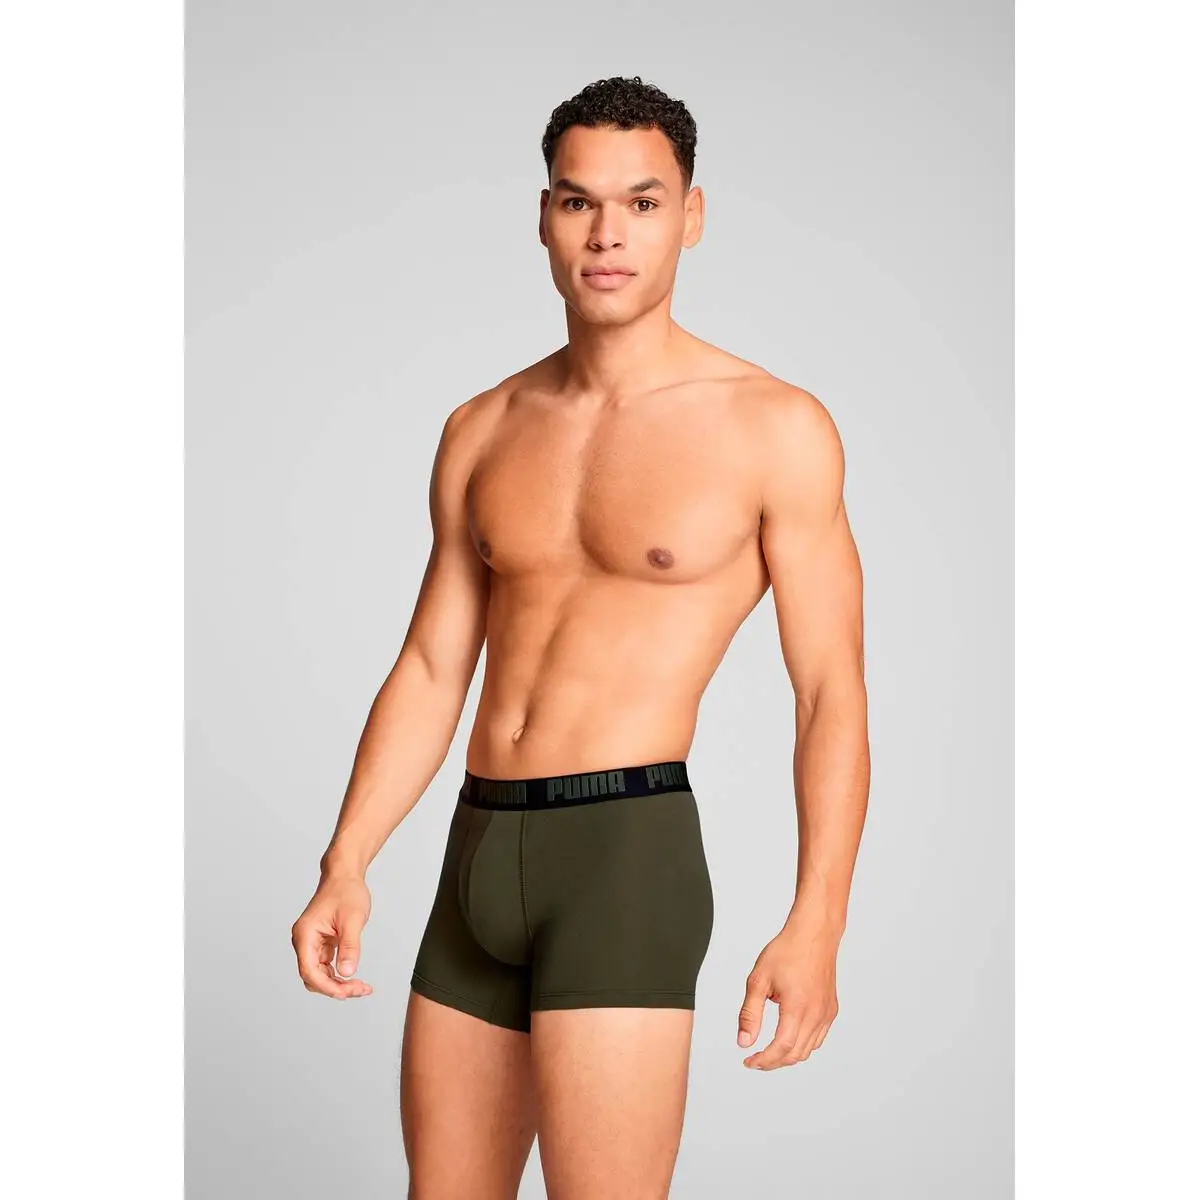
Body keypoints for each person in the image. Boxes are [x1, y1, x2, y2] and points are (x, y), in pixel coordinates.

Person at [290, 75, 870, 1200]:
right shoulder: (483, 427)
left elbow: (828, 693)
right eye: (578, 201)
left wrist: (818, 922)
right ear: (545, 217)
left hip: (623, 858)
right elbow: (433, 666)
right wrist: (347, 859)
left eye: (642, 203)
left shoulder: (773, 428)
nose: (608, 234)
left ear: (690, 217)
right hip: (476, 849)